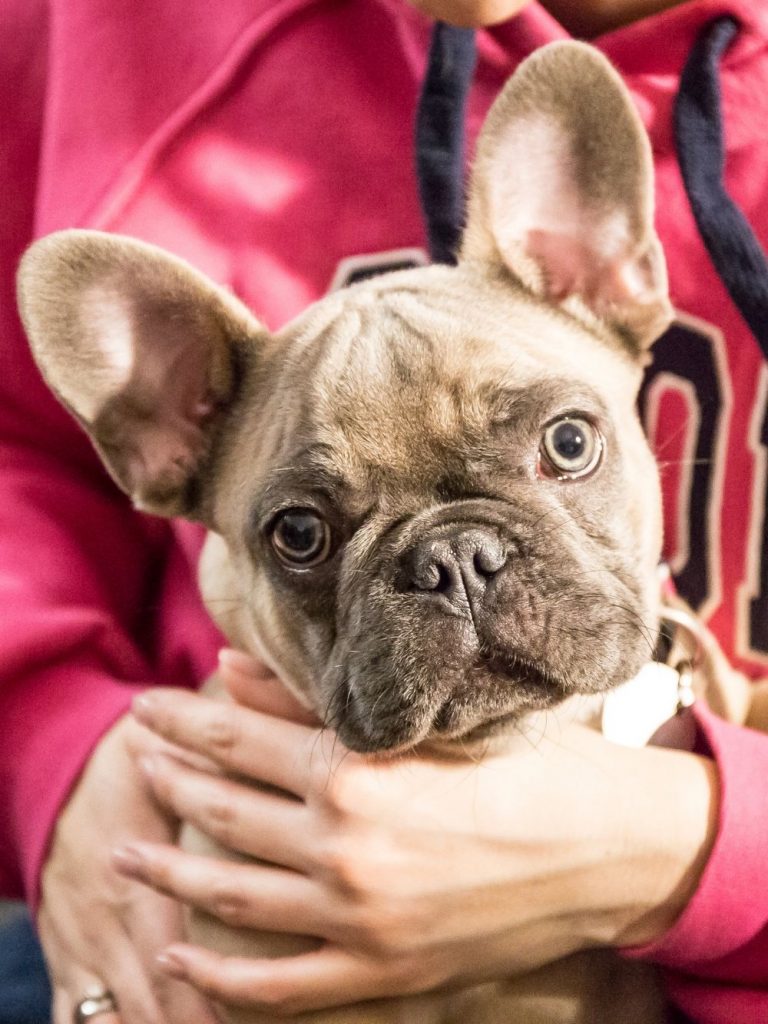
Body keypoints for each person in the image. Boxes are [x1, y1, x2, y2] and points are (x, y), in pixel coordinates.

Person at [2, 1, 768, 1022]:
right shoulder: (87, 31)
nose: (460, 573)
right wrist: (53, 751)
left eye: (563, 447)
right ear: (169, 444)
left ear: (610, 280)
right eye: (309, 534)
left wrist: (697, 848)